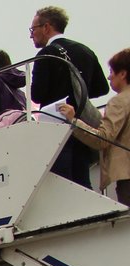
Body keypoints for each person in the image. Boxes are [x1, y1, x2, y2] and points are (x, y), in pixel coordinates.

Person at [29, 6, 110, 188]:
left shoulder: (46, 54)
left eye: (33, 29)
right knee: (82, 180)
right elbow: (102, 88)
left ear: (46, 27)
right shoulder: (85, 51)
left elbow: (37, 94)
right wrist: (78, 96)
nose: (31, 35)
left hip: (55, 125)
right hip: (81, 125)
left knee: (60, 182)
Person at [60, 49, 130, 205]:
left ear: (123, 74)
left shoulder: (119, 102)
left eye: (112, 71)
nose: (109, 76)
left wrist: (74, 120)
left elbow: (103, 139)